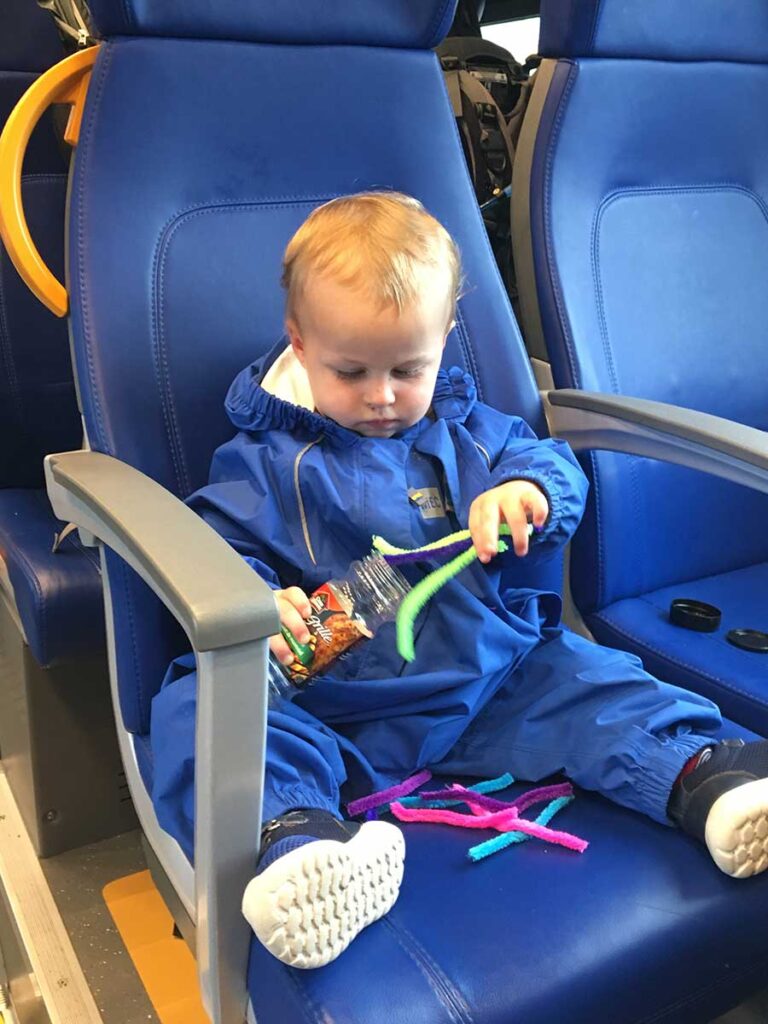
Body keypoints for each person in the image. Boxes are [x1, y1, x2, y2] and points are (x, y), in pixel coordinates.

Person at [150, 191, 768, 971]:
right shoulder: (267, 461)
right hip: (339, 707)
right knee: (196, 706)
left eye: (409, 369)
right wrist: (260, 601)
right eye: (352, 371)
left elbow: (545, 464)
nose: (382, 396)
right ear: (300, 346)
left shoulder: (472, 430)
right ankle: (300, 843)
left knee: (594, 683)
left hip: (492, 678)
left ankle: (703, 778)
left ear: (444, 340)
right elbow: (215, 543)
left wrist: (529, 496)